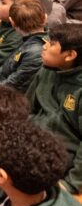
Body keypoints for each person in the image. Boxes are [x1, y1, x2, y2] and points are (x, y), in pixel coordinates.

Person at [27, 23, 82, 193]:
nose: (43, 46)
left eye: (51, 44)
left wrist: (71, 183)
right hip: (31, 136)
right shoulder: (46, 69)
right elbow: (27, 107)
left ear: (70, 55)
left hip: (57, 153)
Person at [0, 0, 47, 92]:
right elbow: (7, 67)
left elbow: (12, 84)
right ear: (45, 18)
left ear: (12, 23)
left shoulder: (35, 51)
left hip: (6, 95)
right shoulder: (29, 40)